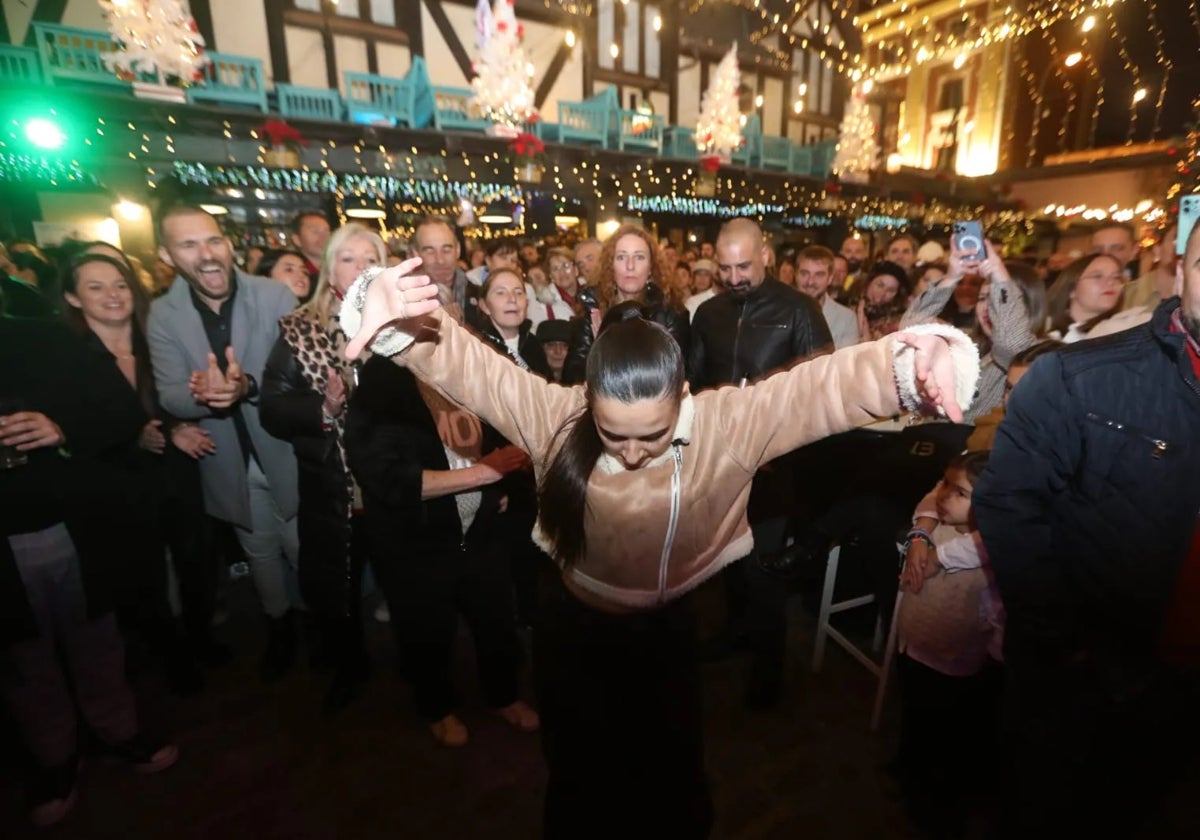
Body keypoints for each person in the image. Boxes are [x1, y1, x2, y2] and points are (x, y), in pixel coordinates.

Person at [337, 256, 977, 837]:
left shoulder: (726, 424)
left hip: (667, 631)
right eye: (615, 435)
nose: (635, 452)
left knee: (672, 782)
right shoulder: (555, 415)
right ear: (589, 403)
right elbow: (474, 370)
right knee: (578, 783)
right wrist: (402, 314)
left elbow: (817, 392)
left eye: (653, 434)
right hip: (573, 631)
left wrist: (903, 368)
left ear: (682, 399)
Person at [972, 217, 1200, 836]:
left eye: (1115, 270)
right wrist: (1064, 639)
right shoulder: (1080, 373)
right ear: (1180, 275)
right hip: (1092, 675)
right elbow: (1009, 502)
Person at [343, 277, 540, 748]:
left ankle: (503, 696)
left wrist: (502, 483)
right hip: (417, 539)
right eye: (431, 320)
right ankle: (437, 708)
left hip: (481, 530)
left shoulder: (466, 374)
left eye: (449, 318)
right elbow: (385, 478)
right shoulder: (383, 382)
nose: (442, 327)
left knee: (497, 622)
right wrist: (484, 476)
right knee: (426, 634)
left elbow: (496, 432)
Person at [1, 316, 179, 828]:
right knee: (22, 656)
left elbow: (118, 410)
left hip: (68, 520)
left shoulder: (41, 331)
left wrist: (61, 427)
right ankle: (54, 760)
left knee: (95, 636)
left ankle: (118, 731)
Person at [147, 205, 302, 681]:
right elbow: (169, 391)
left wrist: (247, 386)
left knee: (303, 546)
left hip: (286, 451)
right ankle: (280, 626)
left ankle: (326, 624)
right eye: (189, 245)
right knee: (259, 552)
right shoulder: (162, 313)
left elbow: (299, 371)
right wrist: (206, 395)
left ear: (229, 243)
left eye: (213, 240)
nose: (207, 254)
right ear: (167, 255)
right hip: (224, 458)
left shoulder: (273, 294)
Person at [690, 219, 834, 707]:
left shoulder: (800, 309)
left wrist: (779, 443)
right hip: (718, 461)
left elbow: (820, 391)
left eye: (743, 266)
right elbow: (692, 384)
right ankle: (736, 634)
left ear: (767, 256)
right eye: (725, 267)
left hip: (776, 467)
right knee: (726, 561)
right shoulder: (707, 313)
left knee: (763, 571)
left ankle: (768, 676)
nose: (733, 277)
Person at [260, 223, 385, 714]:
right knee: (340, 591)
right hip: (336, 487)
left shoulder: (405, 326)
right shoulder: (299, 329)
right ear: (329, 269)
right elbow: (271, 409)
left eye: (369, 258)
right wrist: (325, 409)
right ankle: (350, 667)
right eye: (348, 258)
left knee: (412, 584)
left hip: (397, 483)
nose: (359, 268)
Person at [894, 451, 1004, 837]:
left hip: (954, 663)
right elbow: (926, 505)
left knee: (944, 734)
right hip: (913, 647)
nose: (943, 495)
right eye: (944, 484)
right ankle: (907, 773)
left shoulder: (989, 556)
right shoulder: (937, 526)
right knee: (914, 719)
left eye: (959, 492)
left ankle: (931, 799)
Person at [561, 224, 689, 385]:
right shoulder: (593, 309)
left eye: (639, 257)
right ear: (611, 266)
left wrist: (610, 349)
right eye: (621, 257)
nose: (630, 266)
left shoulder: (671, 313)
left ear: (651, 267)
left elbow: (670, 380)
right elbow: (573, 379)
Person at [1044, 253, 1125, 342]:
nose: (1111, 282)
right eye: (1097, 276)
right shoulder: (1041, 333)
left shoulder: (1123, 335)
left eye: (1116, 277)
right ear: (1072, 288)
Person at [795, 244, 859, 349]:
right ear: (796, 275)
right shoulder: (779, 311)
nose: (810, 281)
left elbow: (844, 363)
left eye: (819, 275)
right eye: (805, 273)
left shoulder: (846, 319)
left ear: (830, 278)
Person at [289, 211, 332, 281]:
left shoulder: (338, 268)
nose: (324, 236)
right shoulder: (297, 276)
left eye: (326, 231)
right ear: (297, 240)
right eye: (315, 231)